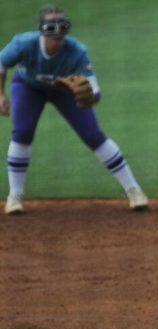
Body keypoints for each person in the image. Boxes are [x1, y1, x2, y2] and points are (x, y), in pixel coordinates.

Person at [0, 5, 148, 215]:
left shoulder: (77, 51)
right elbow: (1, 64)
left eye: (62, 27)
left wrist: (89, 99)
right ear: (42, 29)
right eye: (52, 28)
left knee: (93, 135)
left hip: (64, 91)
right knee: (22, 133)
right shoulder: (24, 43)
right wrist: (1, 94)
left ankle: (134, 190)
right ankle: (15, 196)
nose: (57, 34)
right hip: (28, 87)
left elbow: (94, 89)